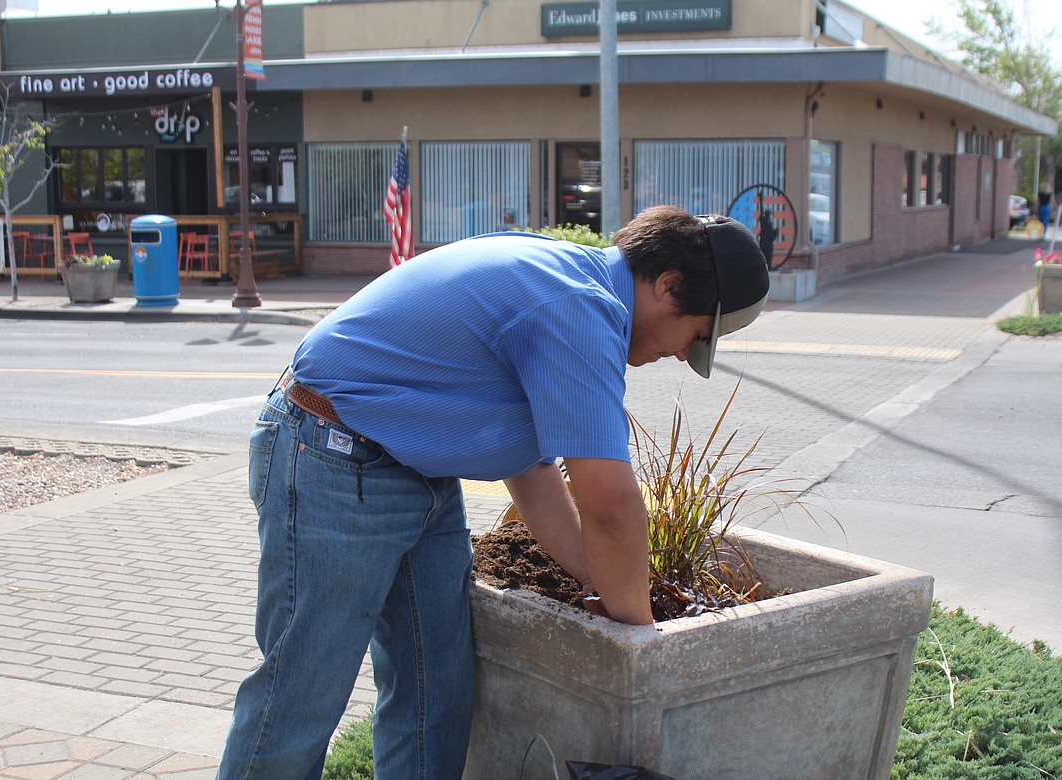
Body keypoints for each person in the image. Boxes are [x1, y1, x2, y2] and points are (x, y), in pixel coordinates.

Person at [215, 205, 770, 780]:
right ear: (668, 285)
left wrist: (596, 582)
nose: (684, 354)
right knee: (301, 694)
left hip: (409, 467)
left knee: (436, 694)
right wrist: (640, 635)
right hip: (331, 450)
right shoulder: (580, 309)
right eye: (697, 334)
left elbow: (533, 476)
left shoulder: (573, 286)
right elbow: (611, 505)